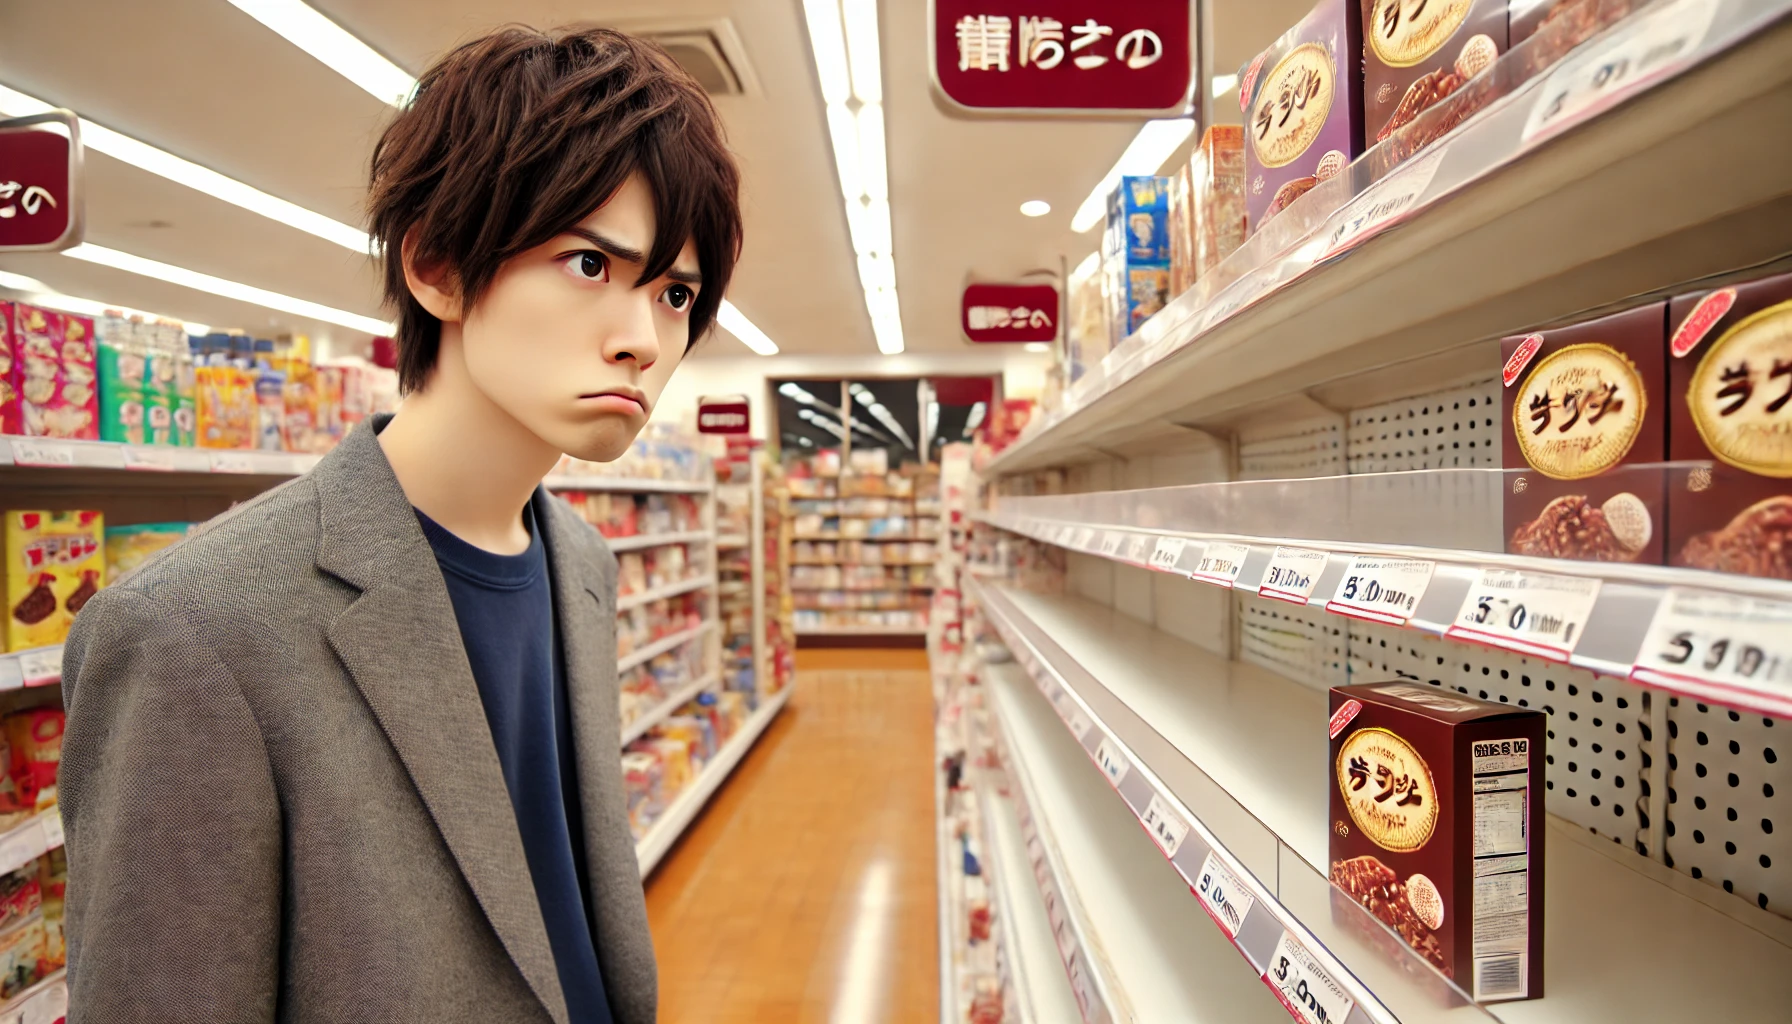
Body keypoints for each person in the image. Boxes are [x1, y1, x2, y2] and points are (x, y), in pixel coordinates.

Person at [58, 25, 741, 1024]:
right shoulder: (192, 631)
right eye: (591, 264)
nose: (644, 340)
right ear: (437, 267)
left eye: (675, 293)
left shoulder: (583, 564)